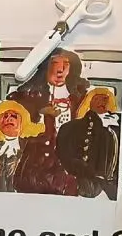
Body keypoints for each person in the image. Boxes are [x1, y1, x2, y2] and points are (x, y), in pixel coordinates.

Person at [8, 49, 89, 196]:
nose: (60, 70)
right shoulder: (27, 98)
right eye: (54, 63)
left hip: (68, 172)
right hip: (34, 169)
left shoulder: (80, 100)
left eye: (66, 64)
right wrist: (40, 114)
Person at [0, 100, 43, 192]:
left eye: (14, 116)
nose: (9, 119)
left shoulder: (31, 147)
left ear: (22, 122)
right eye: (5, 116)